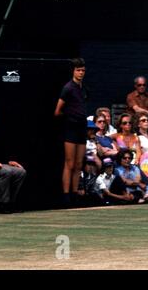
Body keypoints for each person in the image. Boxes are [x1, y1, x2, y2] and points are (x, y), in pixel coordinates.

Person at [54, 58, 89, 207]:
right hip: (70, 128)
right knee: (69, 163)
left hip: (82, 128)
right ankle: (66, 196)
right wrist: (69, 116)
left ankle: (74, 195)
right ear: (73, 71)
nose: (81, 73)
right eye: (78, 70)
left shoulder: (83, 88)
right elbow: (57, 111)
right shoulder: (68, 88)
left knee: (79, 163)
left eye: (82, 70)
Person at [0, 103, 26, 214]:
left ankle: (11, 203)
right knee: (6, 171)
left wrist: (9, 160)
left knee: (20, 171)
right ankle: (3, 204)